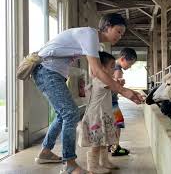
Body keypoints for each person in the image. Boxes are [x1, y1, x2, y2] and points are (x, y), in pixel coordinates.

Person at [33, 13, 144, 174]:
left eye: (122, 33)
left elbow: (95, 70)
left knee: (62, 115)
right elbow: (98, 71)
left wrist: (119, 87)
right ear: (107, 27)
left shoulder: (94, 43)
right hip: (46, 70)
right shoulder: (90, 35)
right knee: (70, 114)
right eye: (118, 31)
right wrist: (123, 90)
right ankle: (69, 163)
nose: (120, 36)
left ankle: (45, 152)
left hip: (53, 73)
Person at [78, 52, 118, 174]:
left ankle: (104, 162)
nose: (114, 69)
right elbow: (114, 86)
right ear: (101, 68)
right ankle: (93, 167)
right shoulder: (101, 80)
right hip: (96, 117)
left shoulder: (103, 80)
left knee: (103, 141)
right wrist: (119, 83)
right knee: (96, 142)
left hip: (102, 115)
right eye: (112, 66)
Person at [111, 48, 137, 156]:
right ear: (122, 59)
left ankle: (111, 145)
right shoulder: (118, 70)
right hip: (111, 101)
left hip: (108, 100)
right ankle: (115, 147)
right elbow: (117, 88)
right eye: (130, 64)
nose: (130, 67)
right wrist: (132, 96)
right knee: (118, 121)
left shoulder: (112, 66)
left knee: (111, 123)